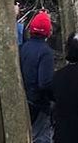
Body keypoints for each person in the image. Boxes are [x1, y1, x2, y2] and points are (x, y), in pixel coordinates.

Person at [20, 11, 54, 143]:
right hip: (38, 105)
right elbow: (44, 83)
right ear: (48, 32)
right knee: (41, 138)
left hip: (23, 101)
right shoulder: (46, 52)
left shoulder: (22, 47)